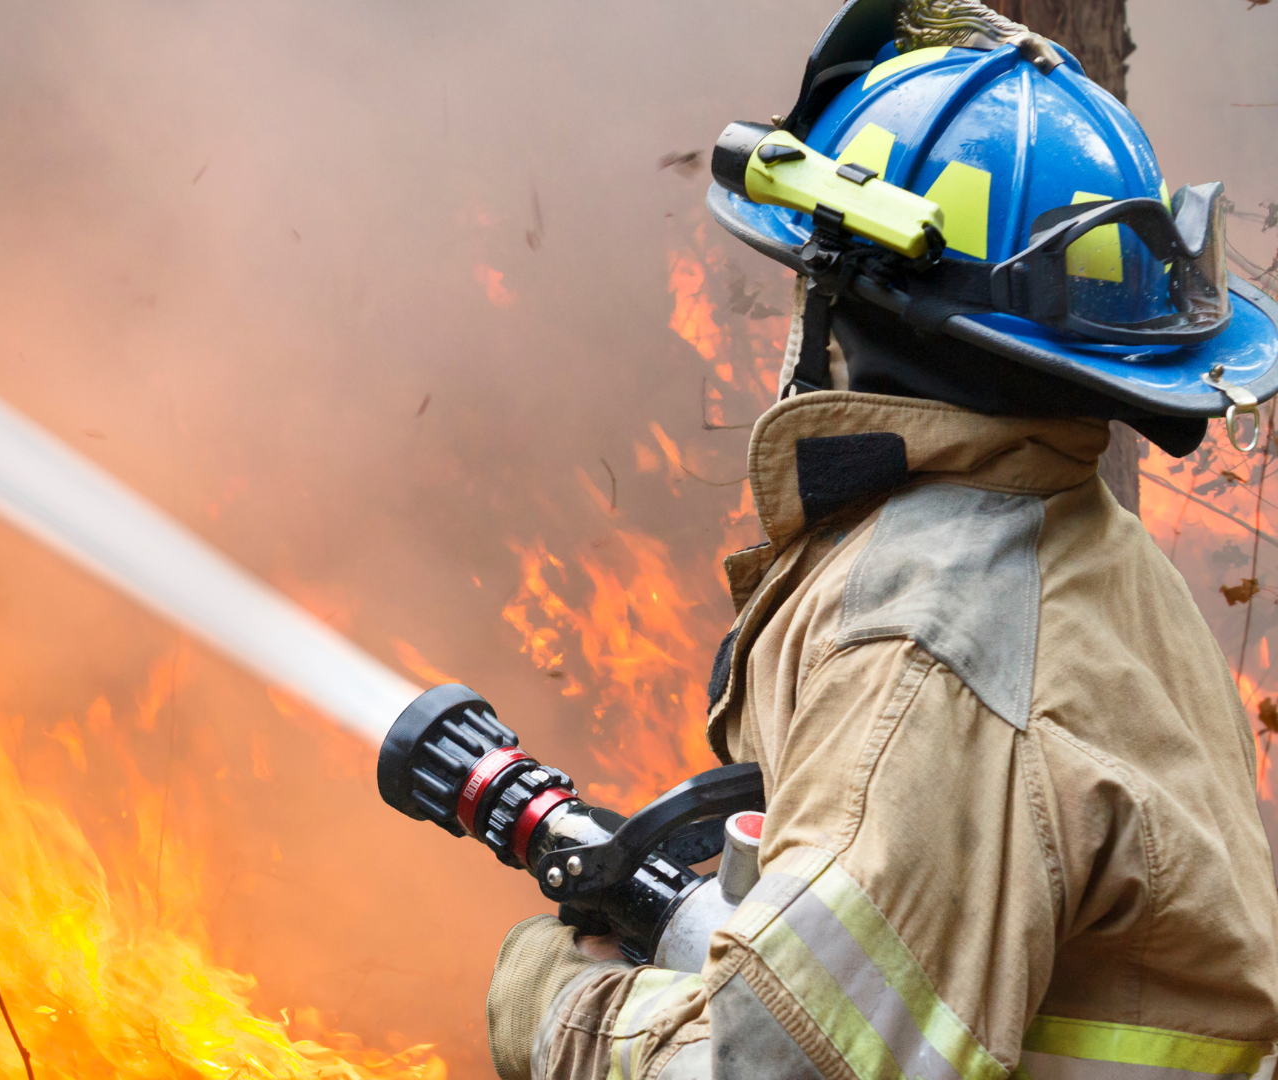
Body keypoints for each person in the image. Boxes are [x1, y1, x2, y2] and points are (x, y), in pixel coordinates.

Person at [483, 1, 1278, 1076]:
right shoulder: (1083, 547)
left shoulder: (924, 646)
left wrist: (557, 1006)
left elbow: (772, 1070)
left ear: (851, 309)